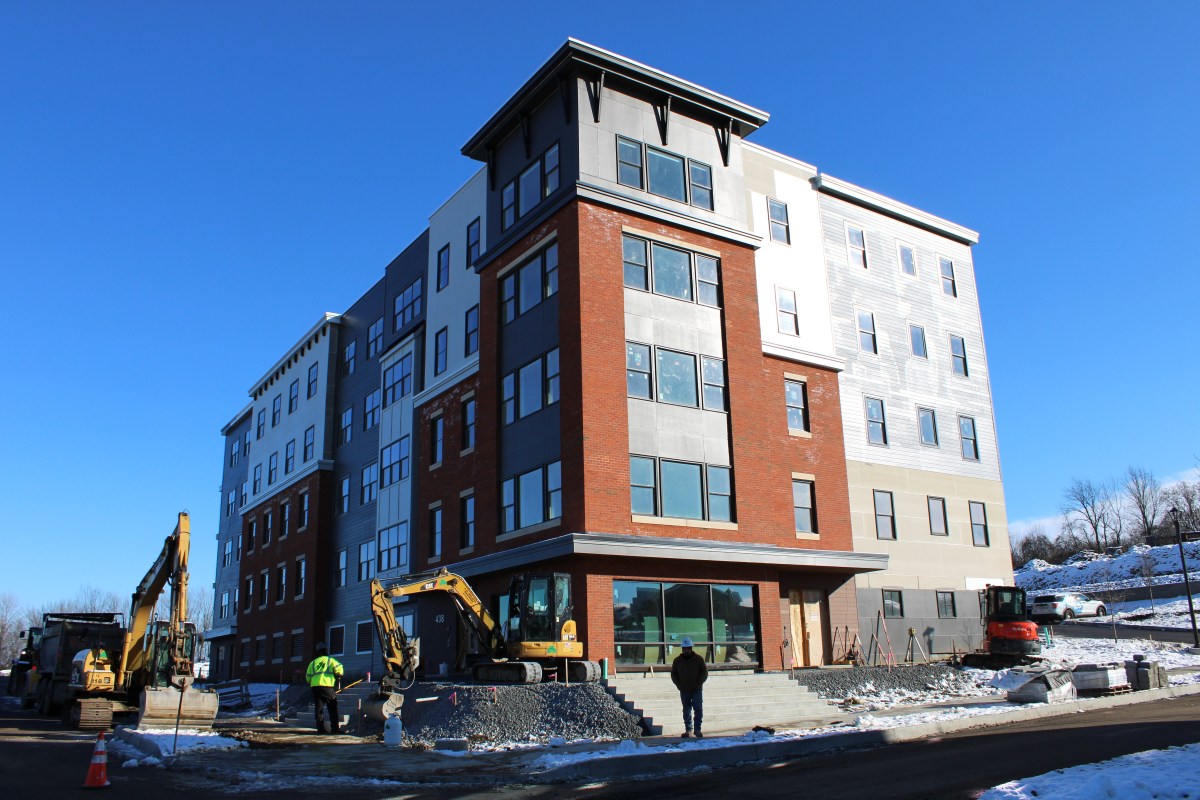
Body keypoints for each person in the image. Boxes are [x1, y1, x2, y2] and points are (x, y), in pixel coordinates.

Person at [670, 637, 708, 738]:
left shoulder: (699, 659)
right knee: (686, 709)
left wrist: (699, 683)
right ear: (682, 649)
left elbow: (704, 672)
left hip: (696, 688)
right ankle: (688, 729)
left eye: (688, 648)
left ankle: (697, 729)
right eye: (685, 648)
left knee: (698, 708)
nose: (686, 650)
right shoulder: (677, 661)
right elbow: (674, 674)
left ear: (691, 648)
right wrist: (679, 684)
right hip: (684, 689)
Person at [305, 642, 344, 734]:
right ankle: (335, 729)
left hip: (315, 688)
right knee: (332, 707)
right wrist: (337, 676)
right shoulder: (331, 661)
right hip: (327, 686)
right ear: (326, 650)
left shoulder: (313, 663)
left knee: (319, 708)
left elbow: (308, 678)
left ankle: (320, 729)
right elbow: (340, 671)